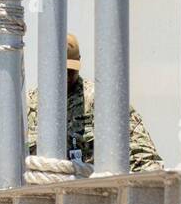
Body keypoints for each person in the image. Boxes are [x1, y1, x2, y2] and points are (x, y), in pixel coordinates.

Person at [25, 33, 163, 171]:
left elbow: (142, 153)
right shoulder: (27, 106)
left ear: (79, 62)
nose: (66, 77)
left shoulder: (103, 100)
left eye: (70, 70)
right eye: (60, 71)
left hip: (94, 189)